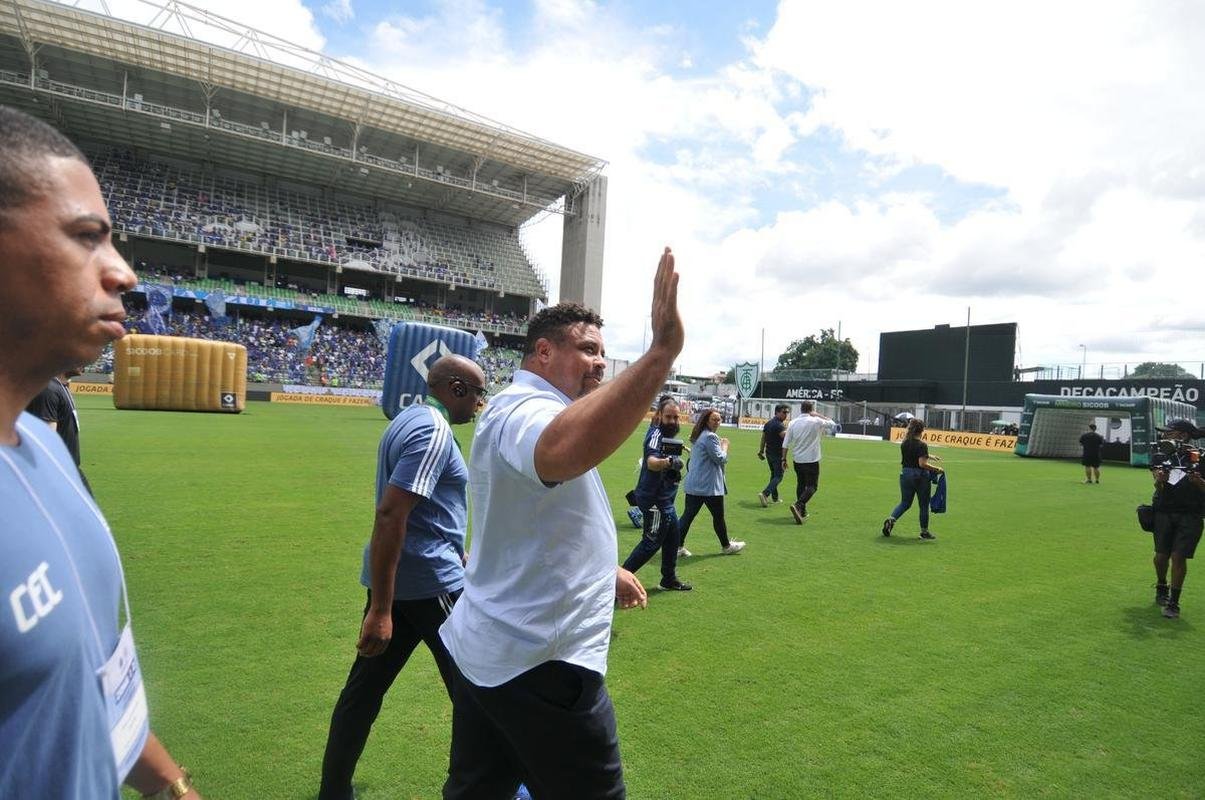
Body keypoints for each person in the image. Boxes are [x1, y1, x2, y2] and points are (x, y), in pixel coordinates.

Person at [0, 106, 200, 798]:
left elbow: (88, 672)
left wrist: (172, 787)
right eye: (88, 237)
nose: (123, 273)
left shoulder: (50, 456)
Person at [439, 248, 683, 799]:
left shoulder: (527, 407)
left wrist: (604, 570)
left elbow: (544, 519)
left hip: (493, 650)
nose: (600, 362)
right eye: (588, 349)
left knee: (477, 790)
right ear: (543, 353)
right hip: (541, 661)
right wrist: (662, 352)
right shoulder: (524, 409)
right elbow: (561, 450)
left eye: (604, 351)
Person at [318, 354, 486, 800]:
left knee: (362, 695)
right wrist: (380, 610)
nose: (480, 404)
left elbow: (423, 512)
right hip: (431, 588)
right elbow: (392, 514)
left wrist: (453, 549)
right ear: (455, 389)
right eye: (477, 393)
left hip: (402, 584)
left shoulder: (408, 419)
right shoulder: (434, 430)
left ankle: (333, 792)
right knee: (477, 695)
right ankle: (483, 789)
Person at [620, 396, 692, 591]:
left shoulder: (666, 436)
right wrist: (668, 462)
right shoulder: (656, 434)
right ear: (659, 415)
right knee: (651, 542)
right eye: (669, 417)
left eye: (676, 417)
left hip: (664, 498)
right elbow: (652, 461)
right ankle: (616, 582)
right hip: (654, 498)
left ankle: (668, 579)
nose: (674, 421)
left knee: (673, 536)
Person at [1149, 419, 1205, 620]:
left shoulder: (1201, 457)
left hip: (1191, 514)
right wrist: (1159, 481)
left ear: (1183, 435)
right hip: (1164, 512)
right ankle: (1161, 585)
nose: (1164, 435)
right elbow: (1159, 487)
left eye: (1169, 432)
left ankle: (1174, 603)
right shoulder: (1160, 455)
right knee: (1161, 557)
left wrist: (1199, 483)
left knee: (1178, 557)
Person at [679, 409, 746, 556]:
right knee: (718, 517)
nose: (717, 422)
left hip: (695, 484)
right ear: (706, 421)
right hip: (708, 486)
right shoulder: (710, 437)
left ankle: (676, 547)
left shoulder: (698, 435)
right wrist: (725, 446)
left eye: (719, 419)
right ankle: (726, 546)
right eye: (714, 419)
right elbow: (721, 458)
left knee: (688, 516)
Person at [25, 367, 91, 494]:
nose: (85, 364)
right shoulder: (48, 390)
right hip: (60, 470)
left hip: (70, 468)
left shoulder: (61, 386)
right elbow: (46, 436)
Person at [882, 418, 944, 540]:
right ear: (922, 430)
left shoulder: (905, 443)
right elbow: (922, 464)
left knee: (905, 503)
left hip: (905, 475)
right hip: (919, 477)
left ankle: (891, 519)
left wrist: (930, 456)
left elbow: (913, 454)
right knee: (923, 505)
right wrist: (937, 469)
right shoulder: (922, 445)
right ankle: (924, 531)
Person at [782, 400, 839, 524]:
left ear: (801, 409)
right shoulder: (816, 421)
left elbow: (786, 443)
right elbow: (833, 424)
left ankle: (801, 511)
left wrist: (783, 459)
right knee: (812, 486)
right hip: (811, 459)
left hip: (797, 459)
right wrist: (818, 415)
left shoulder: (792, 423)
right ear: (811, 410)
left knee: (801, 484)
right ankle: (799, 505)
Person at [757, 404, 789, 506]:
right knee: (779, 476)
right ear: (777, 412)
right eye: (784, 412)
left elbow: (763, 438)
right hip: (777, 455)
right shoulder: (779, 425)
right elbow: (785, 437)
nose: (786, 415)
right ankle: (765, 494)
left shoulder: (768, 423)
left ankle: (775, 498)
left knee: (774, 475)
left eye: (787, 413)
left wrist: (761, 451)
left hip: (769, 454)